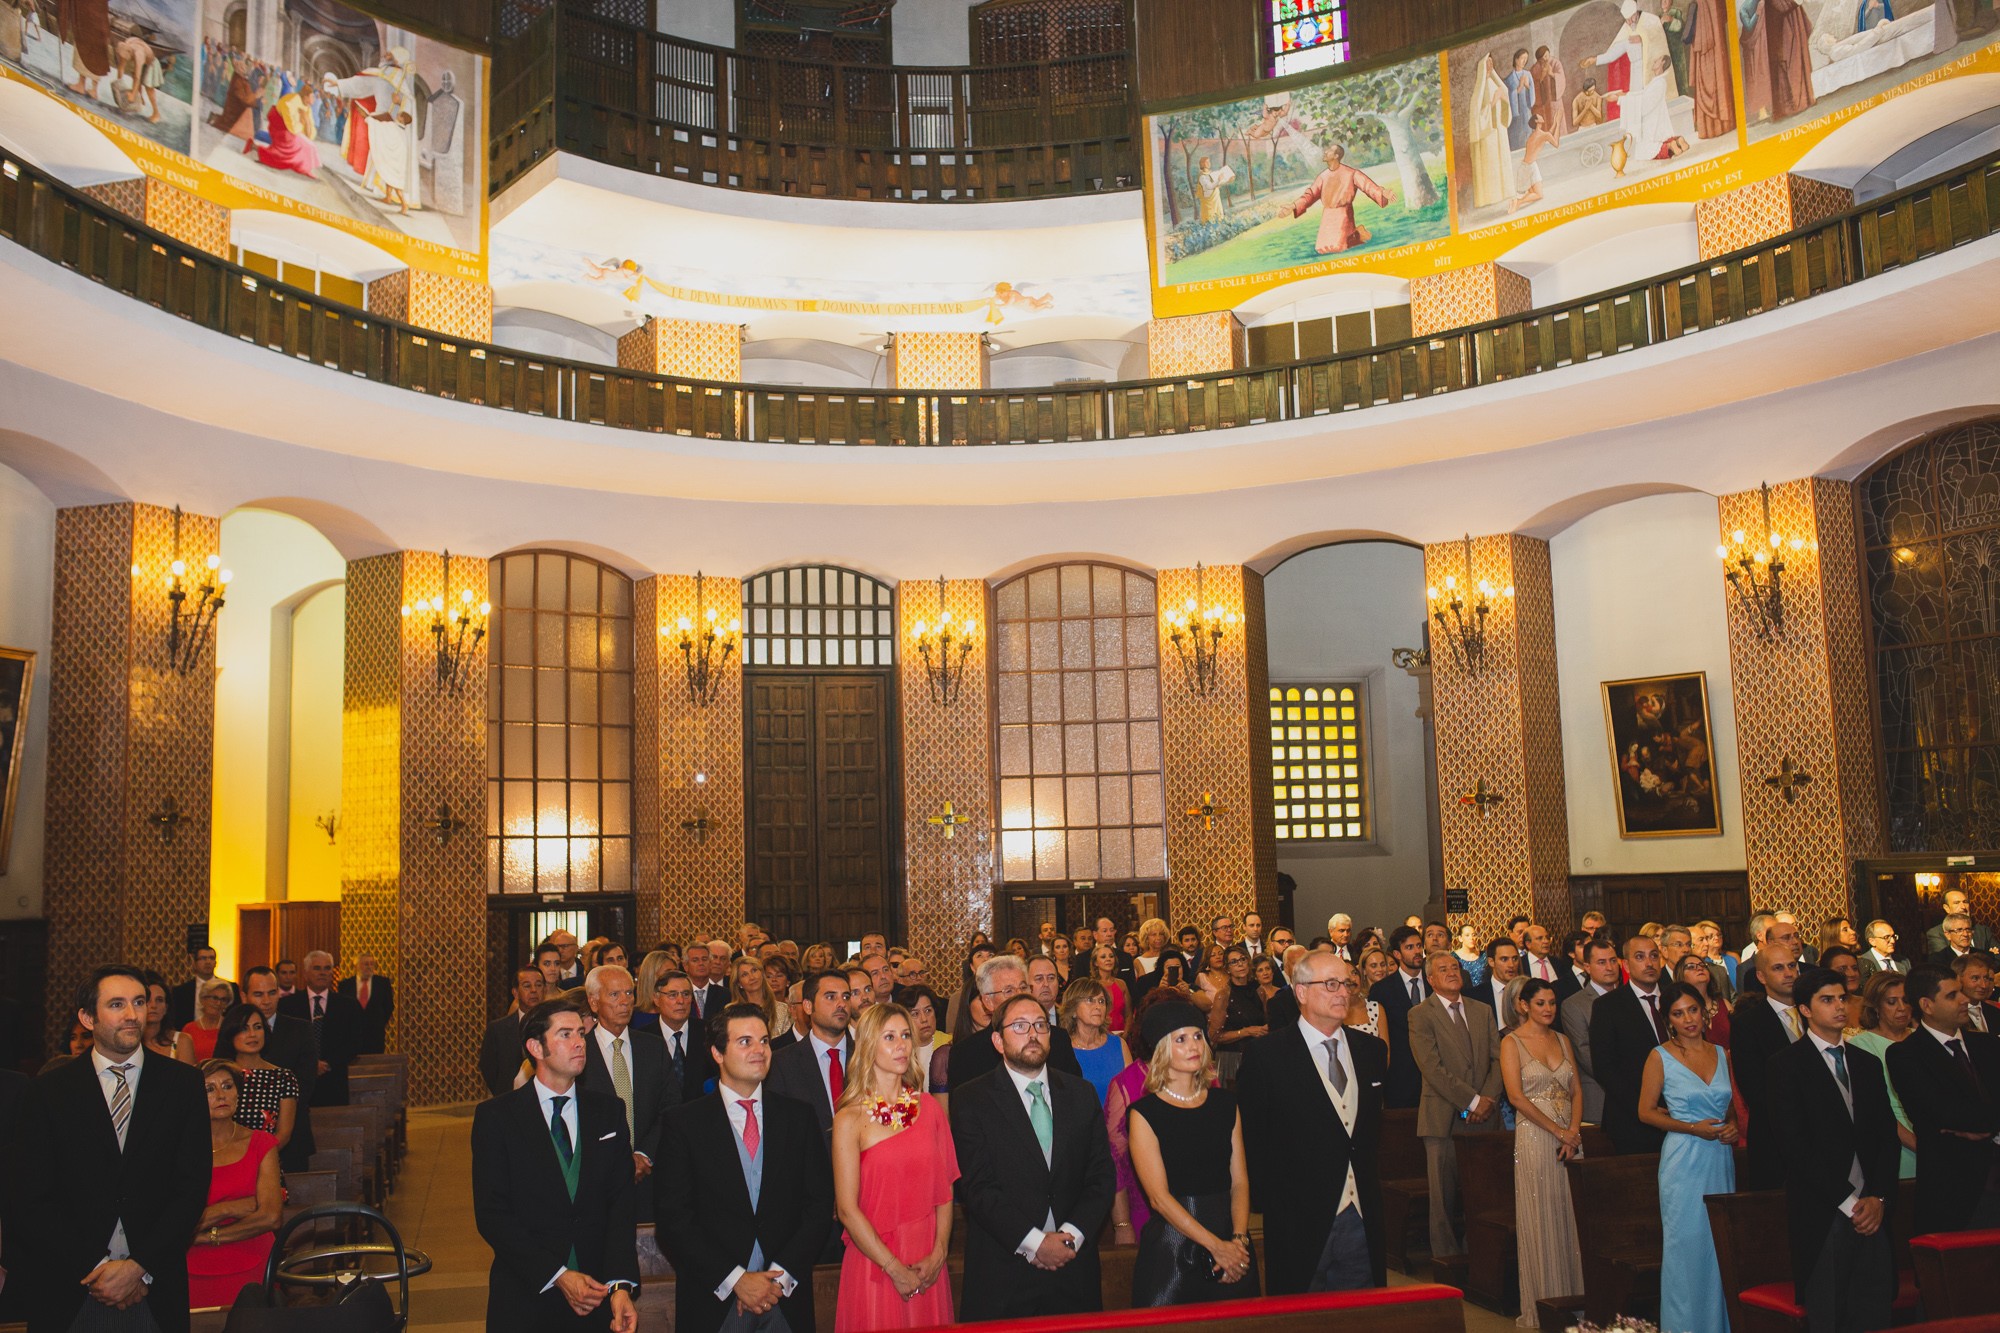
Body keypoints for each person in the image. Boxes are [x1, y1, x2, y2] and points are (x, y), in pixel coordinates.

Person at [1, 965, 209, 1333]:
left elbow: (191, 1188)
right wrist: (96, 1269)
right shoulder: (47, 1091)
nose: (132, 1015)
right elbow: (30, 1196)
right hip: (70, 1288)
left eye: (139, 1002)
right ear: (87, 1017)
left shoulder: (183, 1084)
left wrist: (137, 1267)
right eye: (116, 1004)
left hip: (154, 1287)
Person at [654, 1002, 832, 1333]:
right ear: (717, 1053)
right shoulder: (684, 1123)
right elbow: (674, 1217)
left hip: (785, 1297)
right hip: (714, 1300)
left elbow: (819, 1205)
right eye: (745, 1042)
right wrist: (736, 1280)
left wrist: (780, 1277)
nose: (759, 1051)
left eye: (764, 1041)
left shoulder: (798, 1117)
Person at [471, 998, 639, 1332]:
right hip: (527, 1292)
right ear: (536, 1047)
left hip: (597, 1293)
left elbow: (621, 1204)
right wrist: (558, 1275)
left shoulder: (608, 1111)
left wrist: (620, 1286)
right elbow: (492, 1213)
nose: (580, 1042)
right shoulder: (498, 1117)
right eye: (565, 1034)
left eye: (580, 1032)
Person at [950, 993, 1116, 1321]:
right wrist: (1036, 1243)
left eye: (1041, 1025)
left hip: (1074, 1268)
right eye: (1020, 1026)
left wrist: (1070, 1237)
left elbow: (1101, 1175)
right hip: (1005, 1270)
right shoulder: (971, 1099)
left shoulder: (1080, 1094)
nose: (1033, 1034)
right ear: (998, 1040)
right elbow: (977, 1186)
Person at [1240, 950, 1386, 1292]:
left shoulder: (1371, 1051)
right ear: (1301, 992)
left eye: (1347, 984)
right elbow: (1253, 1140)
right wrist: (1275, 1205)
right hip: (1296, 1219)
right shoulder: (1268, 1055)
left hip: (1360, 1214)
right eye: (1331, 984)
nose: (1343, 993)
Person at [1770, 967, 1899, 1333]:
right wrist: (1847, 1201)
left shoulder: (1867, 1062)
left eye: (1843, 998)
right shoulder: (1786, 1065)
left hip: (1872, 1209)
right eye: (1827, 1000)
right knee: (1830, 1313)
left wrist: (1877, 1198)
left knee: (1874, 1310)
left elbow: (1886, 1137)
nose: (1840, 1007)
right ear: (1805, 1011)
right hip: (1823, 1207)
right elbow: (1793, 1144)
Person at [831, 1003, 958, 1330]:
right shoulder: (850, 1118)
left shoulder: (929, 1108)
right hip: (876, 1260)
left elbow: (945, 1190)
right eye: (890, 1037)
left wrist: (940, 1252)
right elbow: (846, 1209)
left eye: (905, 1035)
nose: (902, 1044)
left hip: (928, 1256)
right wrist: (893, 1267)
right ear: (869, 1045)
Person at [1126, 1002, 1256, 1306]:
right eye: (1180, 1039)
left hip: (1230, 1238)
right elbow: (1158, 1198)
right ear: (1161, 1049)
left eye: (1198, 1036)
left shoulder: (1225, 1103)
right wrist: (1216, 1247)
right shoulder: (1144, 1114)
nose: (1193, 1046)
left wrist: (1237, 1241)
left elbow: (1239, 1181)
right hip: (1174, 1246)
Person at [1634, 983, 1736, 1333]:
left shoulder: (1723, 1053)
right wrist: (1693, 1128)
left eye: (1693, 1009)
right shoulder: (1659, 1056)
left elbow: (1733, 1108)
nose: (1688, 1018)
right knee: (1687, 1249)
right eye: (1678, 1013)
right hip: (1683, 1160)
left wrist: (1733, 1127)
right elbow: (1646, 1112)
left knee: (1719, 1250)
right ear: (1668, 1020)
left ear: (1704, 1011)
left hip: (1720, 1158)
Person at [1887, 967, 2000, 1234]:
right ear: (1927, 1005)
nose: (1964, 999)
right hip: (1955, 1189)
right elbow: (1943, 1113)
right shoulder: (1906, 1055)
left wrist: (1984, 1128)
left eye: (1961, 990)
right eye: (1952, 995)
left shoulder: (1988, 1045)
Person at [1499, 978, 1583, 1327]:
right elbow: (1516, 1097)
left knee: (1572, 1218)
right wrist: (1557, 1131)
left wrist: (1573, 1134)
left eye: (1552, 1002)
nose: (1548, 1009)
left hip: (1570, 1139)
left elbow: (1576, 1090)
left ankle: (1577, 1302)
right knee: (1541, 1216)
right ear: (1524, 1005)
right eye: (1541, 1003)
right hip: (1535, 1138)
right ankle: (1543, 1302)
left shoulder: (1562, 1040)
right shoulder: (1511, 1042)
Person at [1407, 950, 1502, 1258]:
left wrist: (1486, 1101)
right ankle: (1447, 1261)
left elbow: (1497, 1059)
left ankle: (1480, 1255)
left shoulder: (1482, 1009)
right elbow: (1432, 1068)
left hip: (1485, 1117)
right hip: (1442, 1118)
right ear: (1430, 979)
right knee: (1443, 1200)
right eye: (1443, 969)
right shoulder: (1421, 1014)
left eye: (1455, 967)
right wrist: (1472, 1101)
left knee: (1484, 1193)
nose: (1451, 972)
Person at [186, 1060, 282, 1308]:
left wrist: (208, 1233)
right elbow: (176, 1219)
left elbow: (270, 1216)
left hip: (251, 1259)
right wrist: (232, 1208)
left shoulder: (262, 1143)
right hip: (189, 1266)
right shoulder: (179, 1150)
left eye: (227, 1086)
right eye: (209, 1089)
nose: (221, 1095)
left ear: (239, 1094)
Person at [579, 965, 669, 1216]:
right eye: (615, 995)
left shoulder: (654, 1048)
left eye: (629, 994)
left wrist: (643, 1154)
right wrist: (617, 1162)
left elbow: (670, 1107)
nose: (625, 1002)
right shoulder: (580, 1053)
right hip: (595, 1179)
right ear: (594, 1002)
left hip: (648, 1176)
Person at [1105, 984, 1187, 1250]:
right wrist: (1122, 1224)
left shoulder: (1206, 1077)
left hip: (1201, 1203)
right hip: (1146, 1208)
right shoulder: (1127, 1083)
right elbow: (1115, 1160)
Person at [948, 956, 1083, 1088]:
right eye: (1009, 990)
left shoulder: (1057, 1040)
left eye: (1023, 987)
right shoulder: (965, 1054)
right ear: (988, 1001)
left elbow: (1074, 1095)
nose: (1019, 996)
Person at [1590, 934, 1669, 1154]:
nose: (1649, 962)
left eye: (1654, 956)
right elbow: (1605, 1068)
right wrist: (1646, 1108)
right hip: (1633, 1120)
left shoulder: (1675, 1000)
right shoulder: (1608, 1006)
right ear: (1626, 964)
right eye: (1640, 957)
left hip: (1681, 1115)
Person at [1733, 942, 1803, 1189]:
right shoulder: (1748, 1024)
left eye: (1792, 965)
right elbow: (1755, 1090)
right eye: (1778, 968)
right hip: (1776, 1139)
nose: (1788, 973)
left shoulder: (1815, 1013)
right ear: (1761, 976)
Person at [766, 968, 856, 1157]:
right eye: (831, 997)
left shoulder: (867, 1056)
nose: (841, 1004)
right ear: (807, 1006)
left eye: (846, 997)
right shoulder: (782, 1064)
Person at [1848, 971, 1919, 1182]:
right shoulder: (1861, 1046)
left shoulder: (1921, 1039)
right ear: (1876, 1006)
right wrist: (1917, 1144)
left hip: (1932, 1136)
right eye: (1892, 1002)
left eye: (1906, 1000)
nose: (1901, 1008)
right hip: (1892, 1141)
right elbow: (1874, 1108)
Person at [279, 950, 363, 1106]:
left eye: (327, 968)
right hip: (298, 1081)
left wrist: (328, 1063)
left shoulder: (347, 1005)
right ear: (305, 973)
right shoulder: (287, 1005)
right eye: (317, 968)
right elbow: (283, 1042)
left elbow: (355, 1042)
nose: (323, 973)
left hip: (334, 1080)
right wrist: (310, 1065)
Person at [216, 1002, 298, 1154]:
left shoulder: (283, 1077)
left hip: (266, 1161)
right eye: (244, 1028)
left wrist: (254, 1160)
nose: (252, 1034)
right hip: (223, 1160)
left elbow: (283, 1134)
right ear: (231, 1033)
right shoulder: (219, 1075)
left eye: (258, 1027)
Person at [1290, 142, 1390, 255]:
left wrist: (1382, 192)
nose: (1325, 152)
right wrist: (1294, 205)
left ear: (1336, 156)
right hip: (1327, 217)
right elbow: (1311, 194)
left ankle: (1355, 235)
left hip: (1343, 215)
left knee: (1338, 247)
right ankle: (1356, 235)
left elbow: (1368, 186)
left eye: (1329, 151)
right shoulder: (1323, 176)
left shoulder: (1351, 173)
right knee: (1322, 249)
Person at [1562, 936, 1622, 1124]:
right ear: (1587, 967)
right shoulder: (1575, 1004)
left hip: (1638, 1095)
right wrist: (1624, 1082)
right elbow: (1585, 1052)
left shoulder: (1628, 998)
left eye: (1613, 961)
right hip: (1599, 1096)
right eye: (1602, 962)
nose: (1610, 967)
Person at [1370, 926, 1430, 1108]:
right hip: (1400, 1077)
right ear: (1397, 954)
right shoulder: (1382, 990)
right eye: (1409, 947)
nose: (1417, 951)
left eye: (1419, 946)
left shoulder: (1434, 982)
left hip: (1436, 1076)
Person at [1062, 978, 1131, 1105]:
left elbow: (1132, 1093)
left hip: (1117, 1123)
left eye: (1101, 1001)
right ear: (1073, 1010)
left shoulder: (1119, 1045)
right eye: (1090, 1000)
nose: (1098, 1006)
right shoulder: (1063, 1049)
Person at [482, 967, 547, 1099]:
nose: (534, 990)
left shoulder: (555, 1025)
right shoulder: (498, 1029)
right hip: (508, 1098)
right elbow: (488, 1067)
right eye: (527, 986)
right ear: (515, 993)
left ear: (545, 990)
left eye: (538, 985)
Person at [1208, 945, 1267, 1082]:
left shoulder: (1259, 991)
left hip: (1257, 1053)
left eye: (1242, 959)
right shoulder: (1223, 995)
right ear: (1227, 968)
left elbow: (1266, 1021)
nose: (1240, 964)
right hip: (1232, 1057)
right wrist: (1246, 1031)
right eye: (1234, 962)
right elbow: (1215, 1035)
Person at [1467, 53, 1514, 210]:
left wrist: (1504, 99)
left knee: (1502, 162)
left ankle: (1506, 192)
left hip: (1499, 130)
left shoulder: (1495, 82)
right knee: (1491, 164)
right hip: (1488, 135)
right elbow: (1477, 117)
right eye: (1487, 65)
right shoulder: (1478, 91)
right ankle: (1492, 197)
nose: (1490, 67)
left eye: (1491, 64)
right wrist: (1494, 101)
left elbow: (1505, 105)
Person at [165, 946, 237, 1032]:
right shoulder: (180, 992)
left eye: (211, 958)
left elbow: (236, 1017)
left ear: (215, 963)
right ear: (194, 964)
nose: (208, 962)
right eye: (203, 958)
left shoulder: (230, 988)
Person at [335, 953, 393, 1055]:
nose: (369, 967)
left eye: (372, 964)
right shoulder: (345, 985)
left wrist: (378, 1023)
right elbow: (341, 1009)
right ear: (357, 965)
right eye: (366, 964)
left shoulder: (383, 983)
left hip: (375, 1037)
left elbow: (388, 1006)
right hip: (351, 1037)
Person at [1674, 953, 1733, 1048]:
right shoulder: (1679, 1011)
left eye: (1703, 965)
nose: (1700, 968)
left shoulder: (1725, 1004)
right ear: (1681, 975)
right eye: (1691, 967)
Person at [732, 955, 793, 1045]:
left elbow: (789, 1044)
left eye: (754, 970)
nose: (752, 977)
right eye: (745, 974)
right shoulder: (732, 1012)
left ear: (762, 974)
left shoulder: (783, 1009)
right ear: (739, 983)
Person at [1925, 890, 1996, 955]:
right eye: (1956, 903)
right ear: (1947, 908)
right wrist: (1986, 956)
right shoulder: (1936, 933)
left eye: (1965, 902)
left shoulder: (1982, 930)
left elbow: (1997, 957)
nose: (1963, 907)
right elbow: (1947, 961)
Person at [180, 977, 233, 1062]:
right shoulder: (189, 1029)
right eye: (214, 998)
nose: (218, 1003)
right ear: (203, 999)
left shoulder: (231, 1027)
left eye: (223, 1000)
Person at [1453, 925, 1487, 989]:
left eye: (1473, 935)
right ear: (1460, 938)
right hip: (1464, 994)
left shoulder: (1484, 956)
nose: (1471, 938)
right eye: (1467, 935)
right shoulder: (1453, 957)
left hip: (1483, 993)